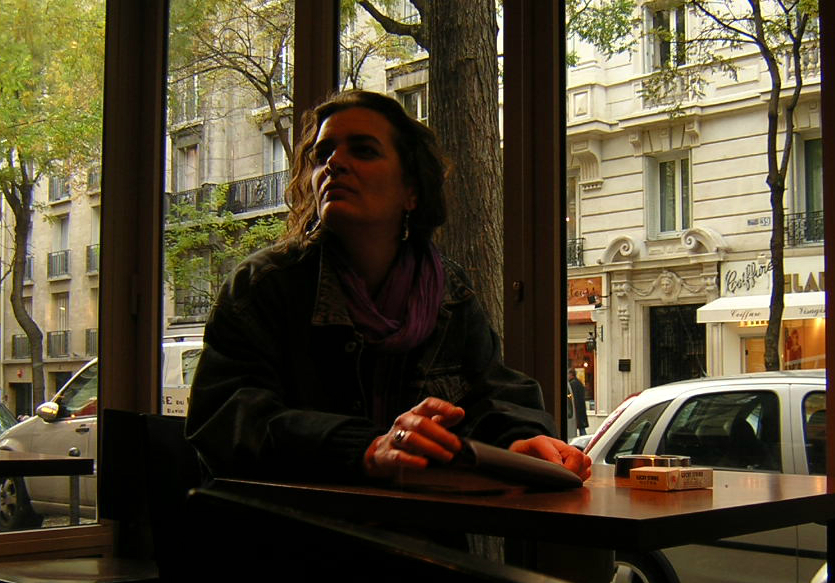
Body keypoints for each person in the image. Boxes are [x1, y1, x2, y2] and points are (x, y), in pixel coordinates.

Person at [185, 89, 590, 484]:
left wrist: (522, 440)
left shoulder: (449, 291)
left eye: (363, 150)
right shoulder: (263, 285)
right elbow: (225, 419)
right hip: (293, 526)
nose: (334, 164)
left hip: (418, 525)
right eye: (322, 155)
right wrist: (364, 448)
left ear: (411, 190)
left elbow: (494, 392)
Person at [567, 369, 588, 437]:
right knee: (582, 428)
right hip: (580, 408)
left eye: (568, 374)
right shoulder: (578, 382)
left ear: (571, 374)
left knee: (580, 429)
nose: (567, 376)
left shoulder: (572, 384)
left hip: (577, 409)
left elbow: (573, 397)